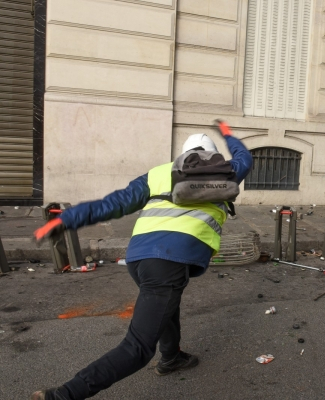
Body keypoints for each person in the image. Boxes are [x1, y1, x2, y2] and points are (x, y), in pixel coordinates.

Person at [31, 121, 253, 400]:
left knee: (168, 305)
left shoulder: (159, 173)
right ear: (211, 154)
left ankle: (171, 358)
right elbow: (245, 157)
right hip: (169, 263)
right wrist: (228, 134)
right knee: (137, 348)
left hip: (139, 258)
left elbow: (115, 203)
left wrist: (68, 218)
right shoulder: (227, 171)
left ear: (183, 155)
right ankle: (64, 395)